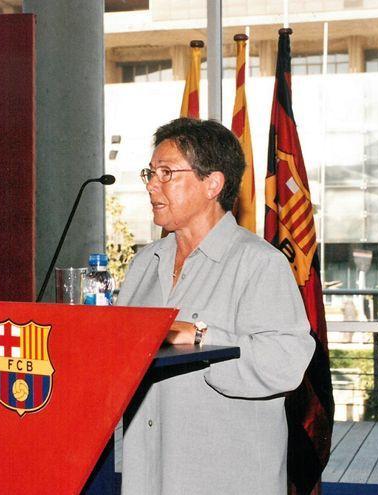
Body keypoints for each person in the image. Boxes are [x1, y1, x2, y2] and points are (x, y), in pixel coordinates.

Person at [116, 118, 315, 494]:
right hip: (149, 473)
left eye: (166, 172)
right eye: (150, 172)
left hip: (226, 476)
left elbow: (286, 362)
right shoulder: (144, 263)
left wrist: (202, 337)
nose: (151, 184)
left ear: (213, 184)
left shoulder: (259, 263)